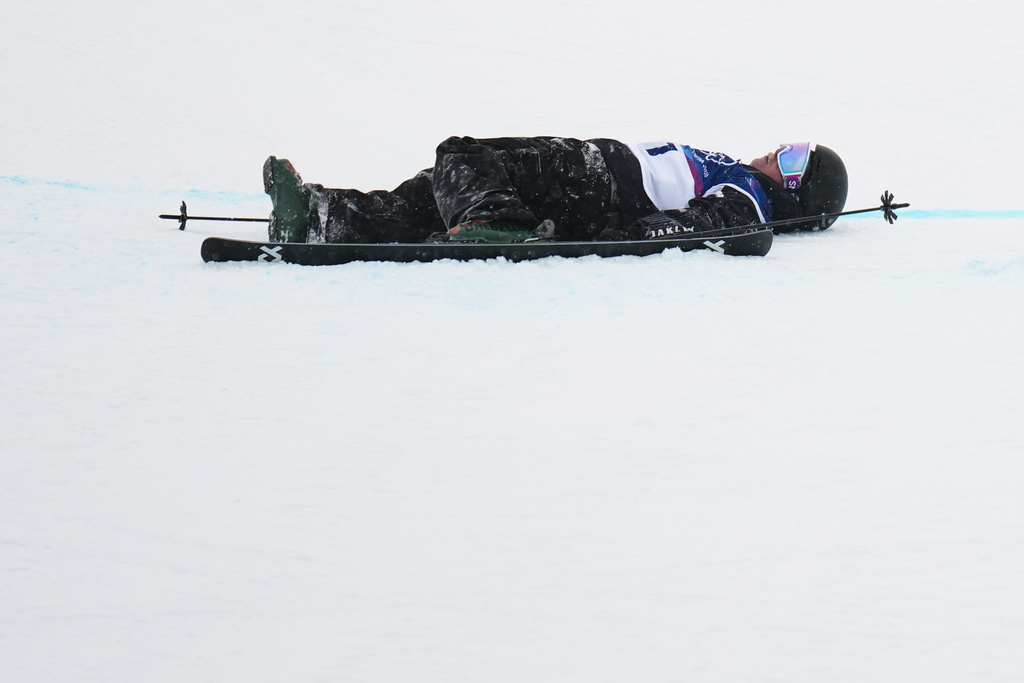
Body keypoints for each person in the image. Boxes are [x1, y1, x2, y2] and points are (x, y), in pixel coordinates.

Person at [263, 136, 849, 244]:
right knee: (441, 188)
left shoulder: (751, 199)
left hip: (602, 179)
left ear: (799, 190)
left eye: (793, 157)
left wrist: (633, 233)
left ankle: (495, 221)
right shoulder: (747, 177)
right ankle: (322, 215)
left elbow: (712, 226)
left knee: (466, 155)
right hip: (598, 182)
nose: (777, 149)